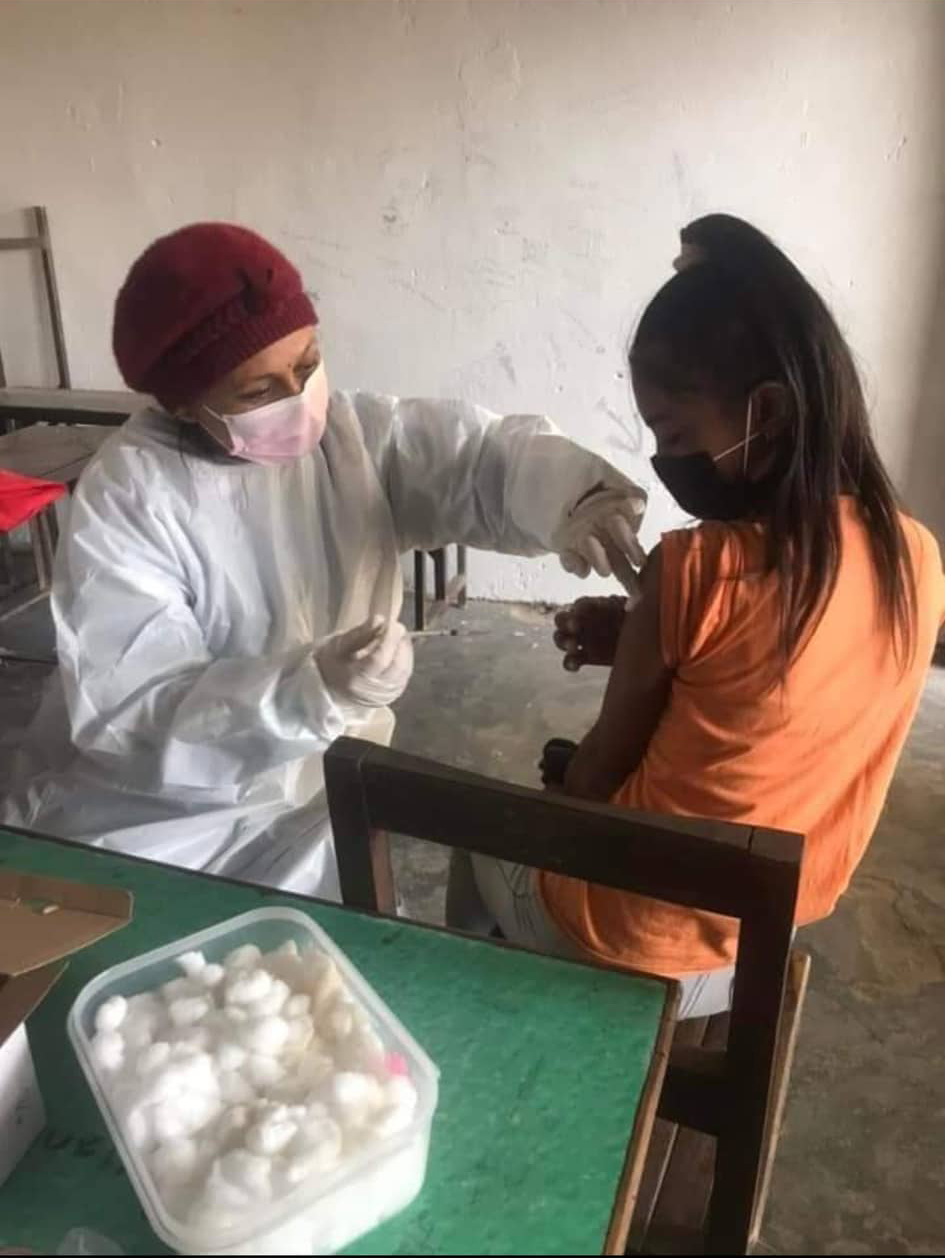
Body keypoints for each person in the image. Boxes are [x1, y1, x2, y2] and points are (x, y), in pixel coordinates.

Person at [1, 222, 646, 899]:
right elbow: (140, 712)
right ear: (184, 404)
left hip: (318, 789)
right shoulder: (131, 499)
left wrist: (572, 493)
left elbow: (475, 460)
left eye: (306, 366)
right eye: (258, 392)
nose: (297, 398)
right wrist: (309, 691)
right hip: (158, 821)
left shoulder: (348, 438)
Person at [455, 215, 945, 1017]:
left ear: (768, 413)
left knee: (477, 830)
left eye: (674, 433)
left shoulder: (695, 568)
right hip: (758, 942)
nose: (665, 460)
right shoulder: (913, 558)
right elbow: (789, 679)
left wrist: (566, 778)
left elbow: (594, 780)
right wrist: (644, 639)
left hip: (627, 938)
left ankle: (483, 1024)